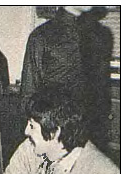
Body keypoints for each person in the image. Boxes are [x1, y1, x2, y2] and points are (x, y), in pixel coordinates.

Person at [21, 6, 113, 150]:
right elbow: (29, 93)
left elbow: (101, 91)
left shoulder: (101, 36)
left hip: (91, 137)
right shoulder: (41, 36)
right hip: (54, 137)